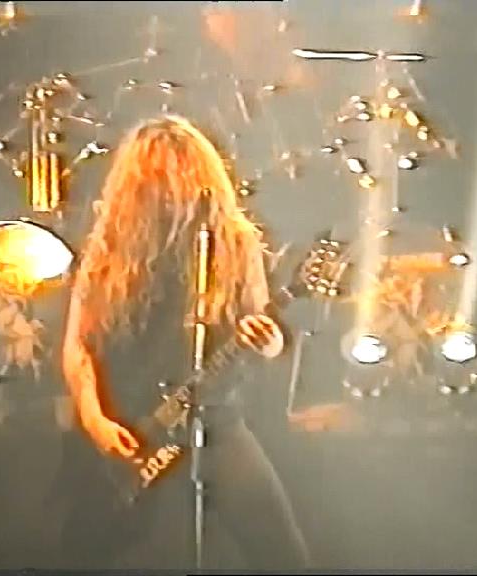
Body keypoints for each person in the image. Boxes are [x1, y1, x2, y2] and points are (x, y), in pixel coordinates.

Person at [59, 115, 310, 570]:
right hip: (129, 423)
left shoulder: (235, 243)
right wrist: (95, 421)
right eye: (157, 179)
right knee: (91, 552)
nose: (171, 191)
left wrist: (268, 340)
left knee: (281, 553)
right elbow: (78, 346)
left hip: (214, 422)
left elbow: (267, 338)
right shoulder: (109, 245)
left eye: (180, 177)